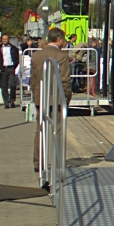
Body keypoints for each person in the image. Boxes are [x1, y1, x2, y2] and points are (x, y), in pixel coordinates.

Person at [31, 28, 72, 173]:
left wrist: (35, 95)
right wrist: (67, 97)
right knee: (58, 130)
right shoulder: (61, 55)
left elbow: (33, 79)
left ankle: (38, 162)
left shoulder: (36, 55)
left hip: (40, 97)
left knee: (40, 130)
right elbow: (65, 80)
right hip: (57, 98)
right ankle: (58, 161)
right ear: (59, 39)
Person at [0, 33, 20, 109]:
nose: (4, 40)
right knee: (4, 86)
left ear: (9, 39)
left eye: (6, 39)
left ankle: (12, 100)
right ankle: (6, 102)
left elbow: (17, 58)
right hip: (3, 68)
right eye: (3, 39)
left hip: (11, 68)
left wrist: (15, 65)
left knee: (12, 85)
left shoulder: (13, 48)